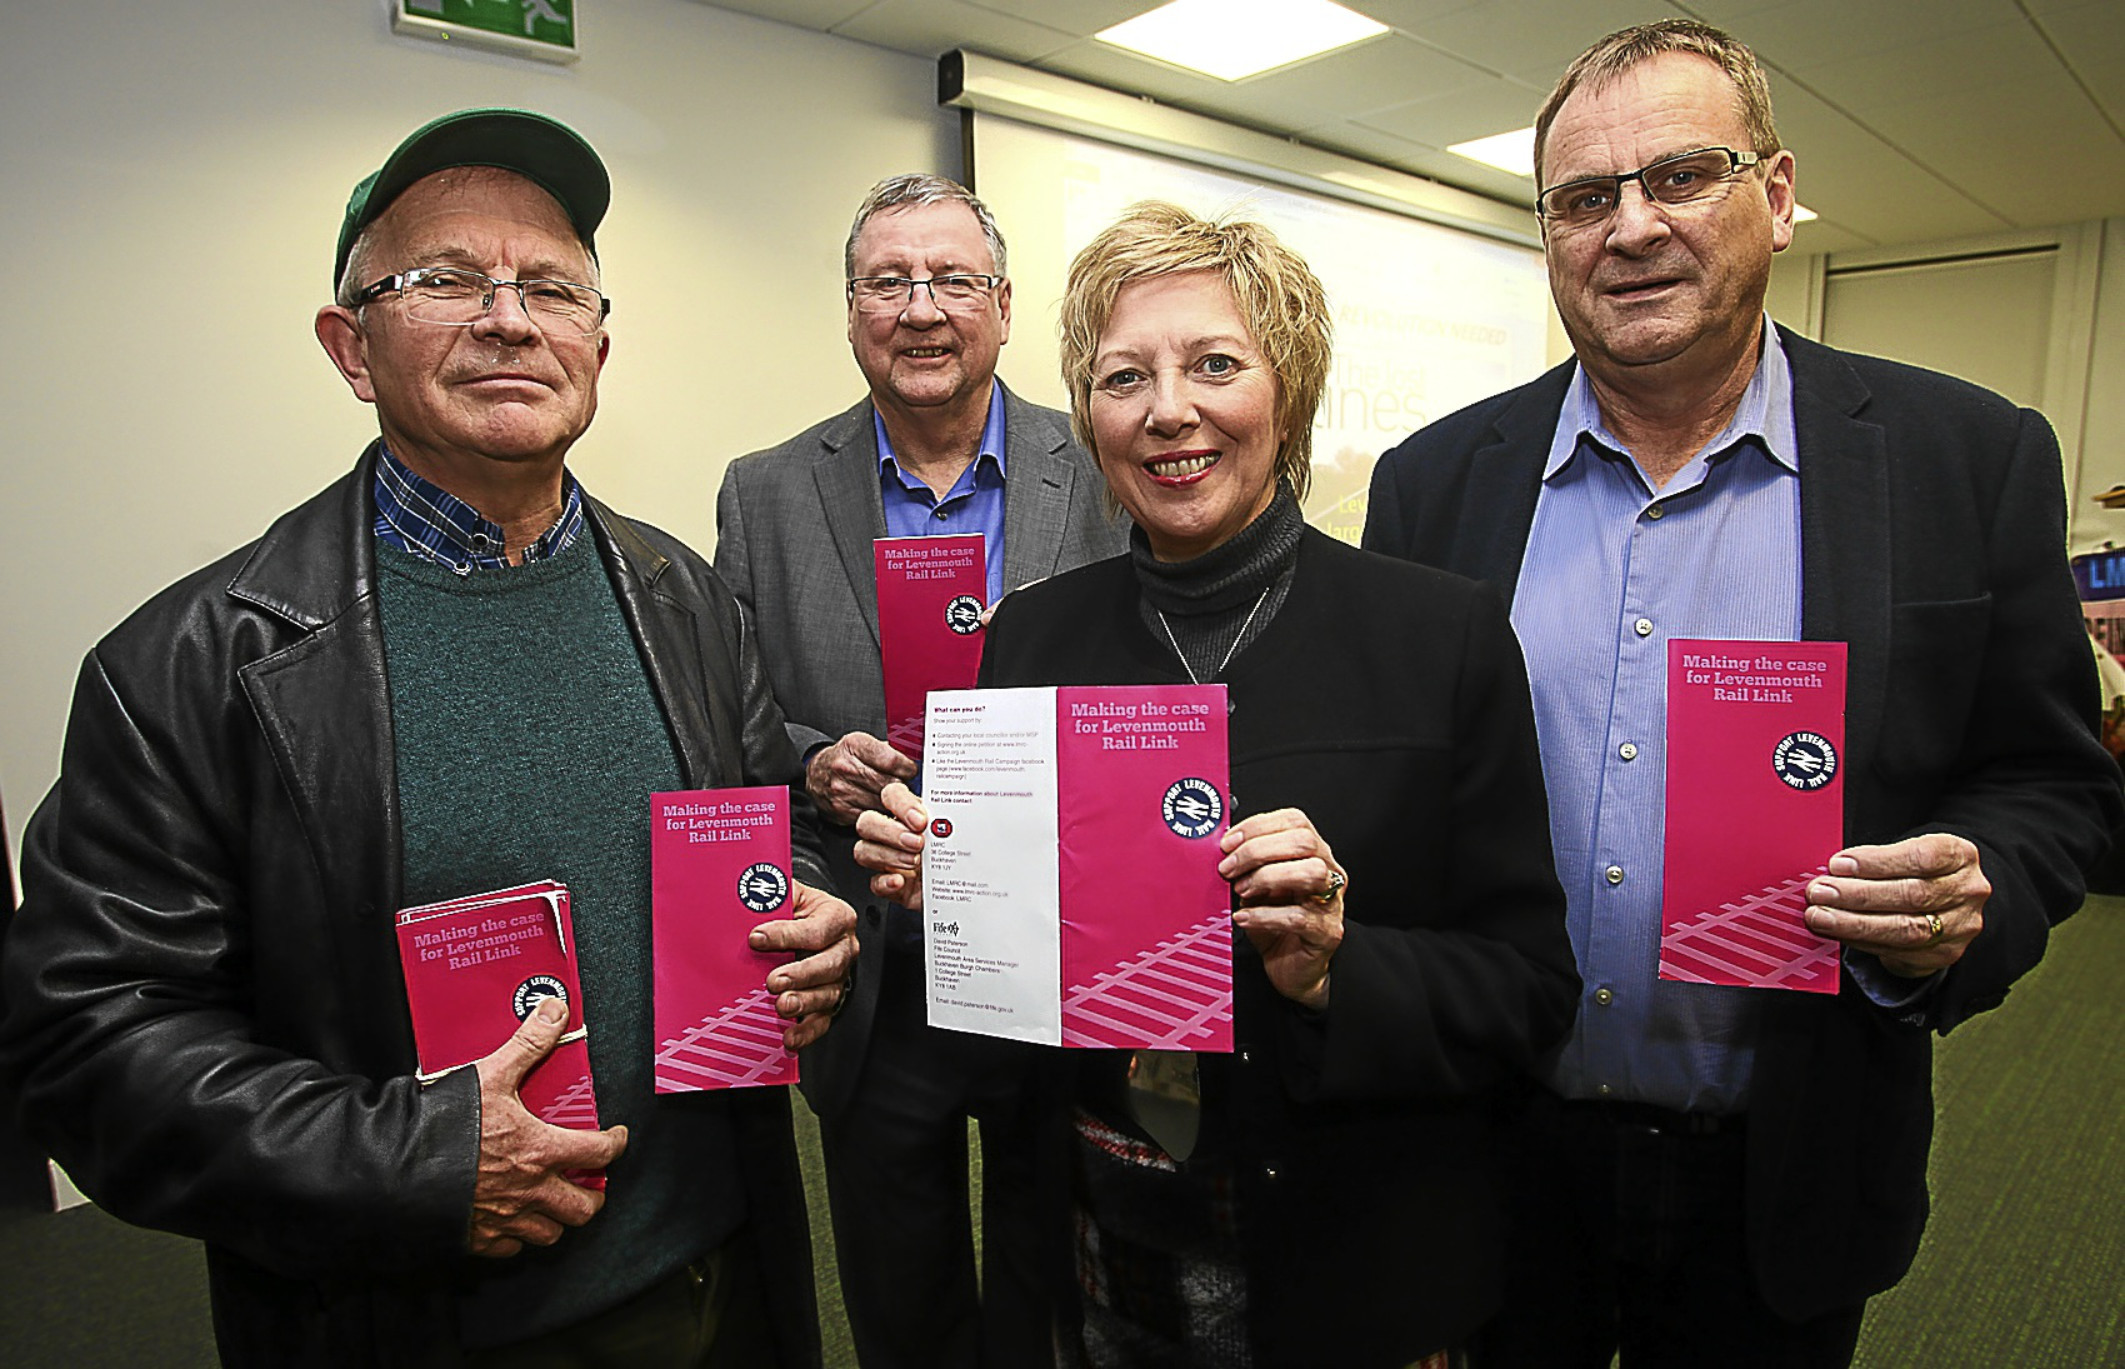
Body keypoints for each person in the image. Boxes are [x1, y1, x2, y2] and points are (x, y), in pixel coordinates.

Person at [0, 108, 857, 1368]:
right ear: (350, 347)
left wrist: (817, 907)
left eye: (552, 287)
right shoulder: (190, 664)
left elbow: (771, 833)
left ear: (598, 345)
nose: (509, 318)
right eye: (447, 280)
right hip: (409, 1316)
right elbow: (90, 1037)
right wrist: (410, 1159)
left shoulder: (689, 601)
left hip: (724, 1276)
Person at [1363, 20, 2122, 1368]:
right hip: (1491, 1156)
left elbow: (2052, 781)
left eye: (1680, 177)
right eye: (1585, 198)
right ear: (1549, 235)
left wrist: (1972, 893)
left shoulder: (1963, 461)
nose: (1631, 228)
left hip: (1789, 1158)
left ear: (1774, 197)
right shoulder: (1436, 484)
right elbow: (1400, 808)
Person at [855, 202, 1580, 1367]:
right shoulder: (1031, 642)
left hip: (1357, 1266)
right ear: (1089, 417)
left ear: (1286, 388)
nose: (1167, 410)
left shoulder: (1436, 635)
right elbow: (993, 1032)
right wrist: (941, 906)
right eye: (1123, 376)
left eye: (1213, 364)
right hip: (1104, 1253)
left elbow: (1530, 989)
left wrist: (1338, 967)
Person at [714, 173, 1123, 1365]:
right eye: (888, 282)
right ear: (849, 312)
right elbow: (732, 716)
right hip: (871, 961)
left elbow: (1160, 681)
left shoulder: (1098, 459)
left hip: (1056, 944)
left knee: (1055, 1284)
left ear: (1001, 303)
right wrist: (808, 760)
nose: (921, 307)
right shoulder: (767, 488)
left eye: (950, 278)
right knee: (901, 1296)